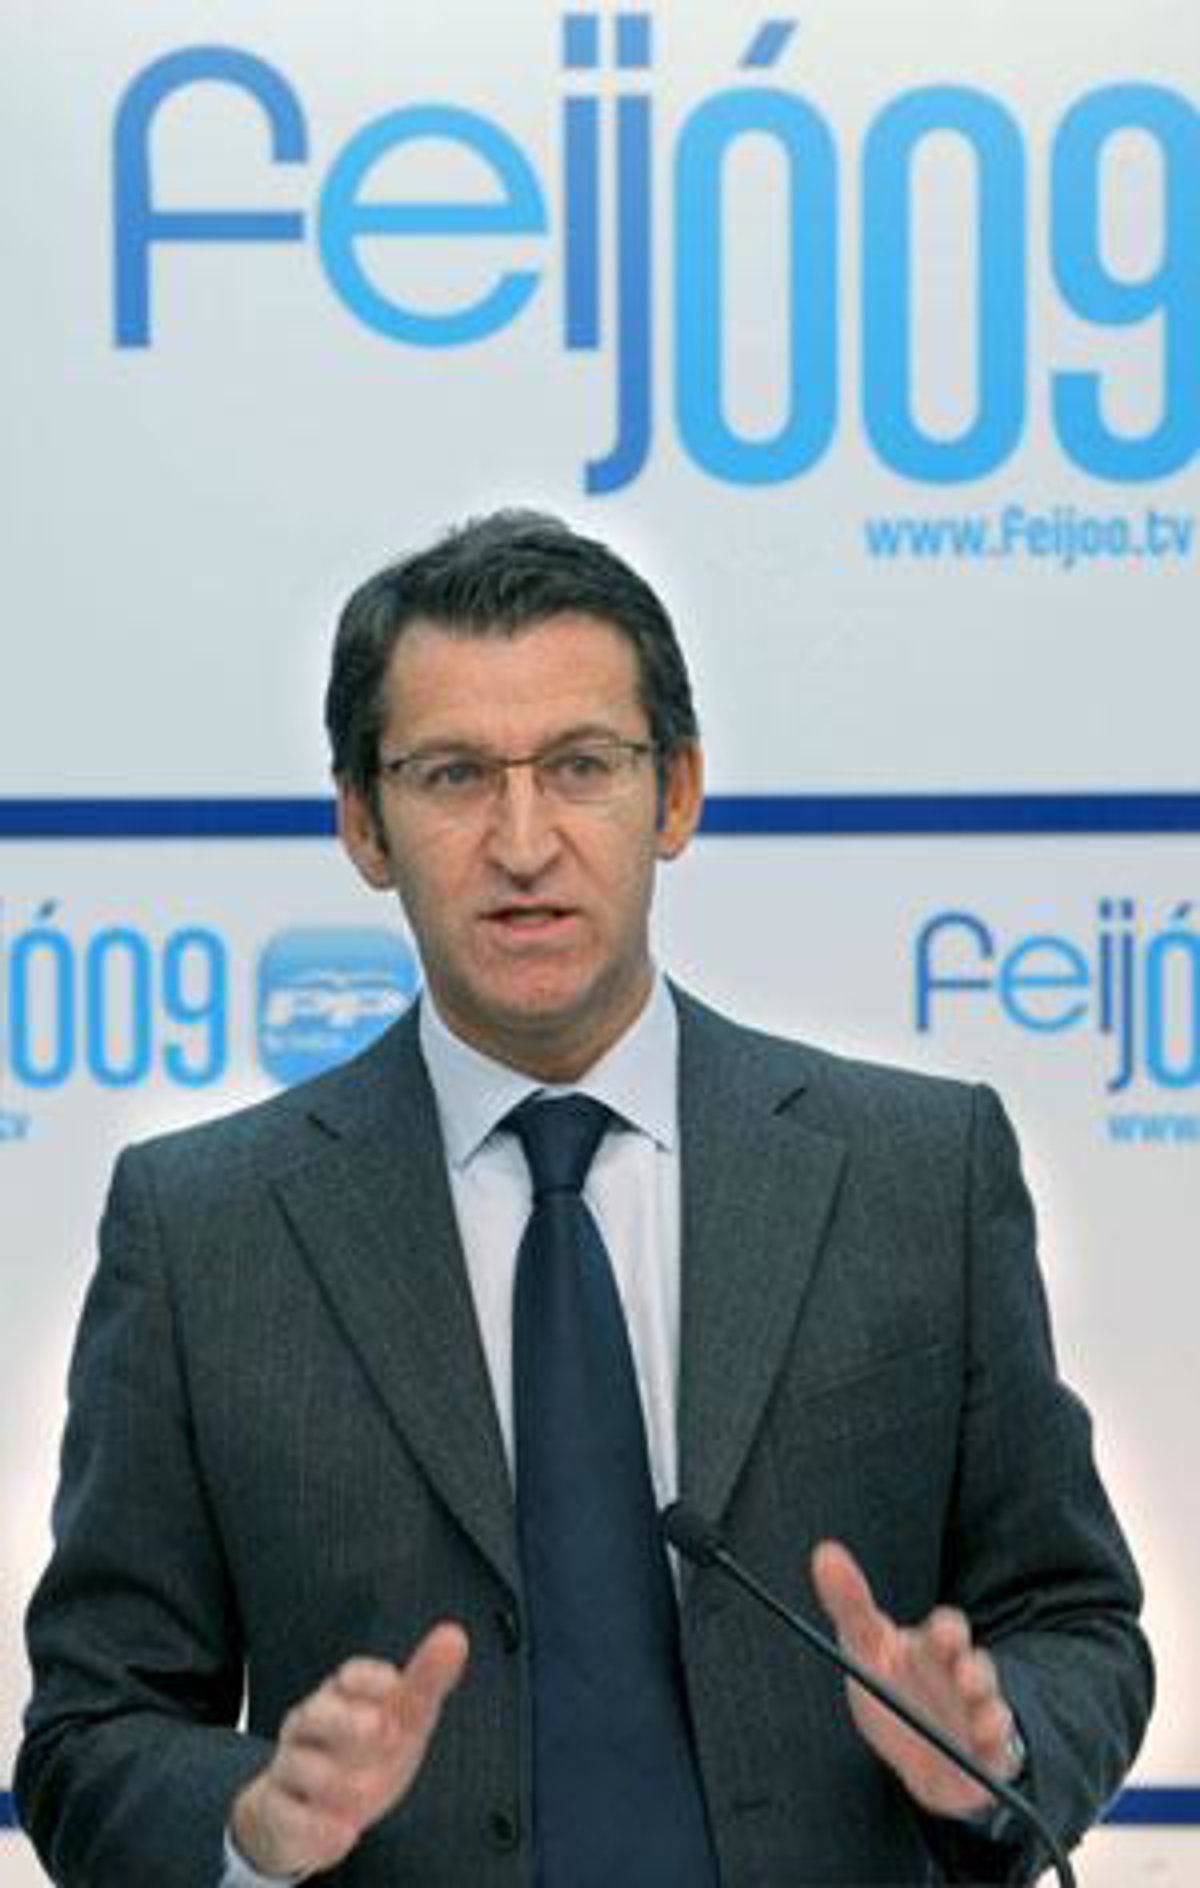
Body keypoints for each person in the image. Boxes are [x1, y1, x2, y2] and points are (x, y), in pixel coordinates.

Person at [17, 510, 1152, 1886]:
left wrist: (991, 1747)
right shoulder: (205, 1230)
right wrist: (251, 1821)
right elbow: (90, 1734)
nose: (522, 841)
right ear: (363, 824)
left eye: (580, 766)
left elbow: (1075, 1622)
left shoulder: (917, 1173)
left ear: (674, 796)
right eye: (451, 776)